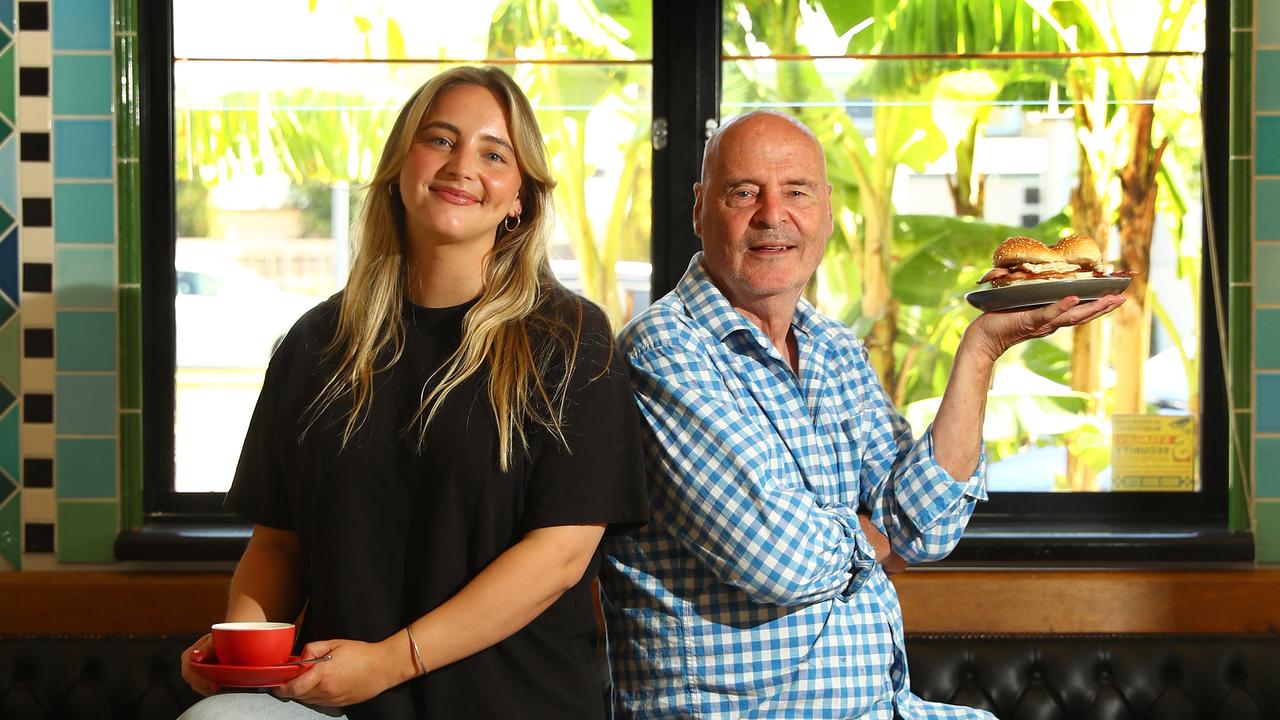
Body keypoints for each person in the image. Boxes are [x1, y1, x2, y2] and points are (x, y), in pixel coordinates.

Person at [599, 110, 1124, 719]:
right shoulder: (664, 350)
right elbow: (778, 558)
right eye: (744, 192)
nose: (773, 215)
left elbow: (923, 530)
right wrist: (870, 537)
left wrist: (982, 348)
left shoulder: (832, 347)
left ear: (824, 210)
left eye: (796, 192)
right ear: (698, 208)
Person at [178, 66, 648, 720]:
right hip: (339, 709)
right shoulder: (315, 345)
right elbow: (278, 544)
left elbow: (561, 557)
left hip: (514, 704)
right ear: (402, 165)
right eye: (440, 140)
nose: (462, 166)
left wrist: (388, 662)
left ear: (519, 197)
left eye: (493, 153)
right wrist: (241, 656)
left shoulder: (570, 339)